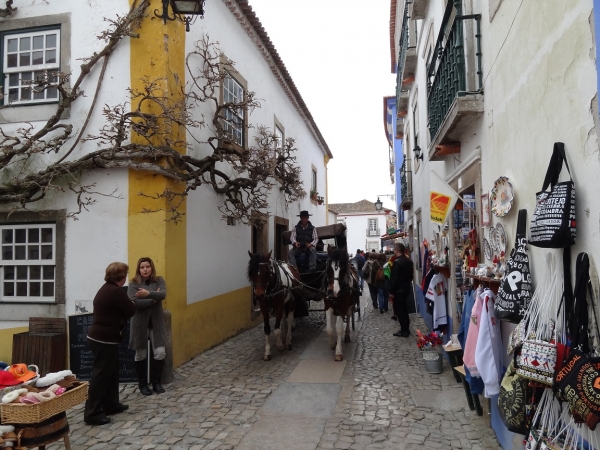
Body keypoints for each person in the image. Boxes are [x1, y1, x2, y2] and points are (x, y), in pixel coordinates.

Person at [84, 262, 136, 426]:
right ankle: (93, 413)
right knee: (101, 376)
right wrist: (134, 301)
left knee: (112, 373)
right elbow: (130, 311)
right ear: (122, 277)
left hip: (102, 338)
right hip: (103, 339)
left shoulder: (106, 288)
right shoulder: (115, 291)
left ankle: (111, 404)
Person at [129, 257, 168, 396]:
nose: (145, 269)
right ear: (138, 269)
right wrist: (153, 299)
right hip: (139, 324)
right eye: (142, 267)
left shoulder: (159, 280)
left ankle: (156, 383)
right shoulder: (133, 283)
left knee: (160, 352)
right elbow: (134, 303)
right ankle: (143, 384)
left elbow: (163, 294)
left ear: (151, 267)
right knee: (140, 354)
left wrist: (147, 294)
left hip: (156, 323)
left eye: (147, 266)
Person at [389, 243, 414, 337]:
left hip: (399, 288)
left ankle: (404, 330)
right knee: (405, 309)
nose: (394, 251)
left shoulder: (397, 262)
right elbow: (411, 276)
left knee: (400, 310)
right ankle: (406, 328)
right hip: (407, 287)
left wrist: (391, 291)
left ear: (397, 250)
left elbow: (394, 278)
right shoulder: (408, 261)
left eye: (394, 249)